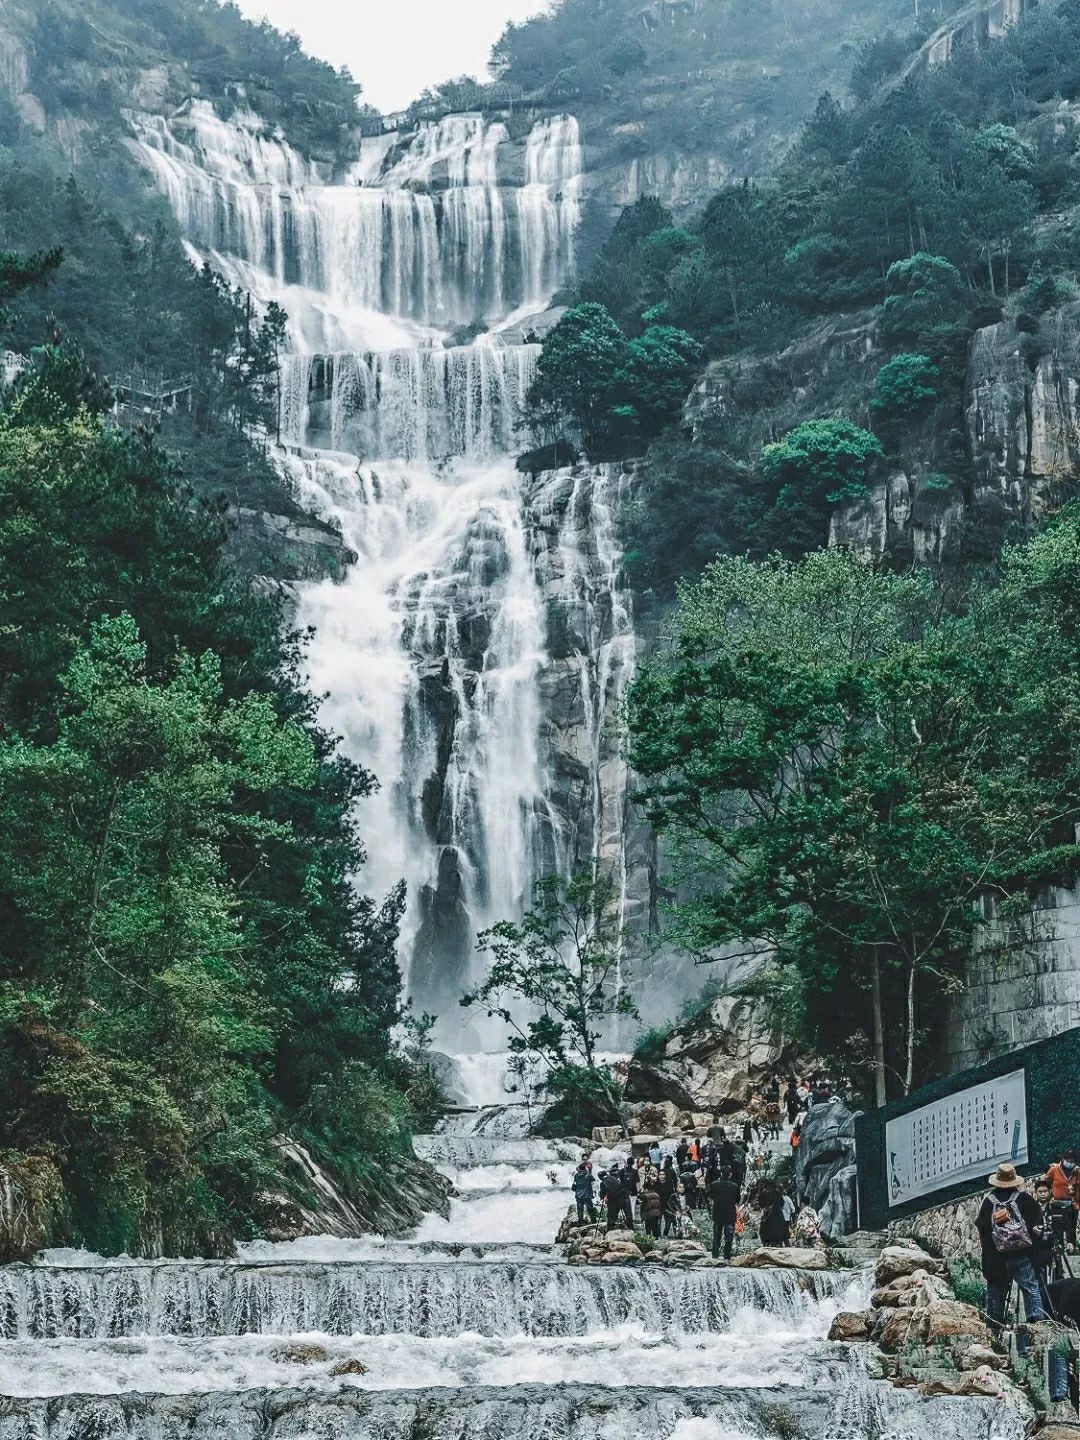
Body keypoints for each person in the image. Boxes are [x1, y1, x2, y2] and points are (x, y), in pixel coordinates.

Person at [976, 1163, 1047, 1329]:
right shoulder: (1024, 1199)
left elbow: (983, 1230)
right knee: (1031, 1288)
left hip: (997, 1258)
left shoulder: (988, 1202)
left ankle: (994, 1327)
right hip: (1023, 1254)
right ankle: (1037, 1325)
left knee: (995, 1293)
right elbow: (1037, 1226)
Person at [1046, 1151, 1080, 1250]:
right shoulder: (1054, 1169)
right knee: (1057, 1227)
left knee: (1072, 1227)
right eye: (1068, 1160)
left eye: (1072, 1161)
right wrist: (1049, 1195)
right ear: (1063, 1159)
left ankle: (1071, 1247)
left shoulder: (1077, 1171)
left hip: (1072, 1203)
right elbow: (1046, 1183)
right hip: (1057, 1203)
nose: (1070, 1162)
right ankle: (1059, 1247)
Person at [709, 1164, 740, 1261]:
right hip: (730, 1214)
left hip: (718, 1213)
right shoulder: (734, 1186)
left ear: (721, 1173)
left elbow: (711, 1196)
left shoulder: (714, 1184)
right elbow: (737, 1199)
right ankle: (727, 1256)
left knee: (716, 1236)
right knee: (729, 1237)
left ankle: (715, 1255)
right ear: (730, 1174)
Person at [603, 1167, 630, 1232]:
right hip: (622, 1200)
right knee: (625, 1215)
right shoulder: (618, 1180)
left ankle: (611, 1229)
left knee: (612, 1216)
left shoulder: (608, 1181)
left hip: (616, 1201)